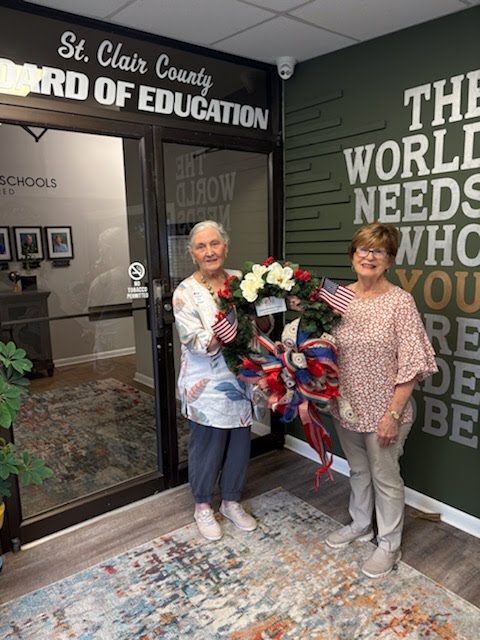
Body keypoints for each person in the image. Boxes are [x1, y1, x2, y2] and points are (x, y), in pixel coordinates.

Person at [325, 222, 437, 578]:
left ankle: (389, 544)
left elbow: (413, 364)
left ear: (390, 260)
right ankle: (361, 524)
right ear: (352, 254)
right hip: (347, 407)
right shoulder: (339, 298)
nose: (369, 257)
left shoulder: (399, 302)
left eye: (379, 251)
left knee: (385, 478)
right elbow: (322, 346)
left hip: (386, 411)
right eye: (364, 248)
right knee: (358, 471)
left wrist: (393, 415)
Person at [172, 220, 270, 541]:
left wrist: (259, 311)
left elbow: (263, 326)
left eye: (215, 244)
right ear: (192, 254)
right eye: (201, 247)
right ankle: (202, 505)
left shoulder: (242, 281)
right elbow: (195, 341)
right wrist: (226, 326)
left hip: (243, 380)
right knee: (208, 446)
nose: (209, 251)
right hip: (207, 385)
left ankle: (230, 501)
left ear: (225, 247)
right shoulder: (185, 292)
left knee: (240, 443)